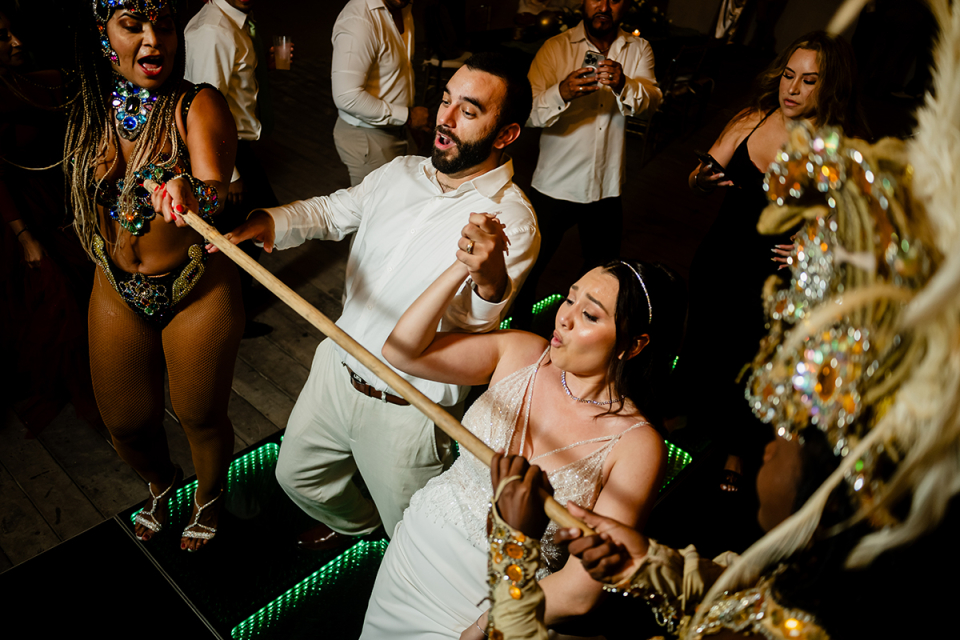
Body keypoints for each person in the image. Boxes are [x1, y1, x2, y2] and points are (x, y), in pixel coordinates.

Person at [223, 52, 539, 548]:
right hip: (337, 363)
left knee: (408, 532)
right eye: (445, 101)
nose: (445, 119)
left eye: (469, 111)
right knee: (296, 477)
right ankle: (355, 525)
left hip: (407, 408)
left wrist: (490, 279)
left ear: (506, 135)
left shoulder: (512, 220)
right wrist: (270, 222)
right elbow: (333, 212)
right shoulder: (400, 171)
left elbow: (477, 328)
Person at [359, 257, 687, 639]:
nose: (564, 318)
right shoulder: (522, 353)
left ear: (633, 345)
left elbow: (581, 593)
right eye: (569, 299)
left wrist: (490, 622)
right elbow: (402, 352)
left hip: (496, 601)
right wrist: (461, 266)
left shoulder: (637, 446)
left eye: (590, 316)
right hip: (412, 556)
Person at [64, 0, 241, 552]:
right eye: (132, 26)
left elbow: (217, 188)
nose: (152, 42)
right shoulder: (90, 107)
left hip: (195, 288)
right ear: (104, 34)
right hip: (115, 286)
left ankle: (208, 497)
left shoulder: (197, 103)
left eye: (162, 26)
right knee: (125, 424)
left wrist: (194, 192)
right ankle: (162, 483)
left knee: (199, 415)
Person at [678, 33, 861, 531]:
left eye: (809, 80)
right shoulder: (750, 119)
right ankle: (696, 421)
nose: (793, 89)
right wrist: (702, 179)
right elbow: (700, 171)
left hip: (773, 277)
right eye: (788, 75)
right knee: (706, 345)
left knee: (752, 357)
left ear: (830, 87)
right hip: (718, 260)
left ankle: (737, 454)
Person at [512, 0, 661, 331]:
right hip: (554, 183)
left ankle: (578, 339)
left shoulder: (638, 48)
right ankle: (516, 339)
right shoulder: (556, 48)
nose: (603, 6)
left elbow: (652, 103)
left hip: (605, 187)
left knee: (601, 277)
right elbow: (530, 112)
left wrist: (626, 85)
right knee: (528, 270)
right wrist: (562, 91)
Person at [0, 5, 101, 433]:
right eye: (3, 37)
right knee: (51, 294)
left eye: (13, 32)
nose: (16, 42)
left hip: (49, 196)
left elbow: (60, 84)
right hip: (15, 211)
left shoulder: (22, 78)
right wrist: (23, 236)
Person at [184, 0, 284, 338]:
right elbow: (206, 110)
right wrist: (233, 173)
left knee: (251, 227)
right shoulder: (214, 30)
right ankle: (228, 316)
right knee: (238, 235)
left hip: (238, 147)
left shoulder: (237, 21)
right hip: (227, 152)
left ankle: (238, 300)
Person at [331, 0, 430, 186]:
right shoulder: (359, 20)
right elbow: (347, 96)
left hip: (397, 128)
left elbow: (396, 75)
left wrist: (407, 127)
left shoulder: (403, 7)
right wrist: (408, 117)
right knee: (374, 212)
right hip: (367, 136)